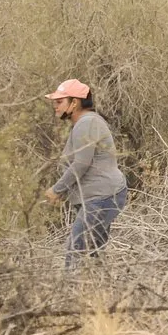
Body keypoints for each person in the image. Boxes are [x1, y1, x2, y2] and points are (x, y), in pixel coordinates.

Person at [46, 79, 127, 265]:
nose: (55, 107)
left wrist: (57, 190)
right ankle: (98, 291)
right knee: (92, 256)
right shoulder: (85, 123)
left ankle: (70, 293)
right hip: (99, 196)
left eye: (59, 102)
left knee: (75, 253)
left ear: (74, 102)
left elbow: (81, 164)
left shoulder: (87, 123)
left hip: (100, 197)